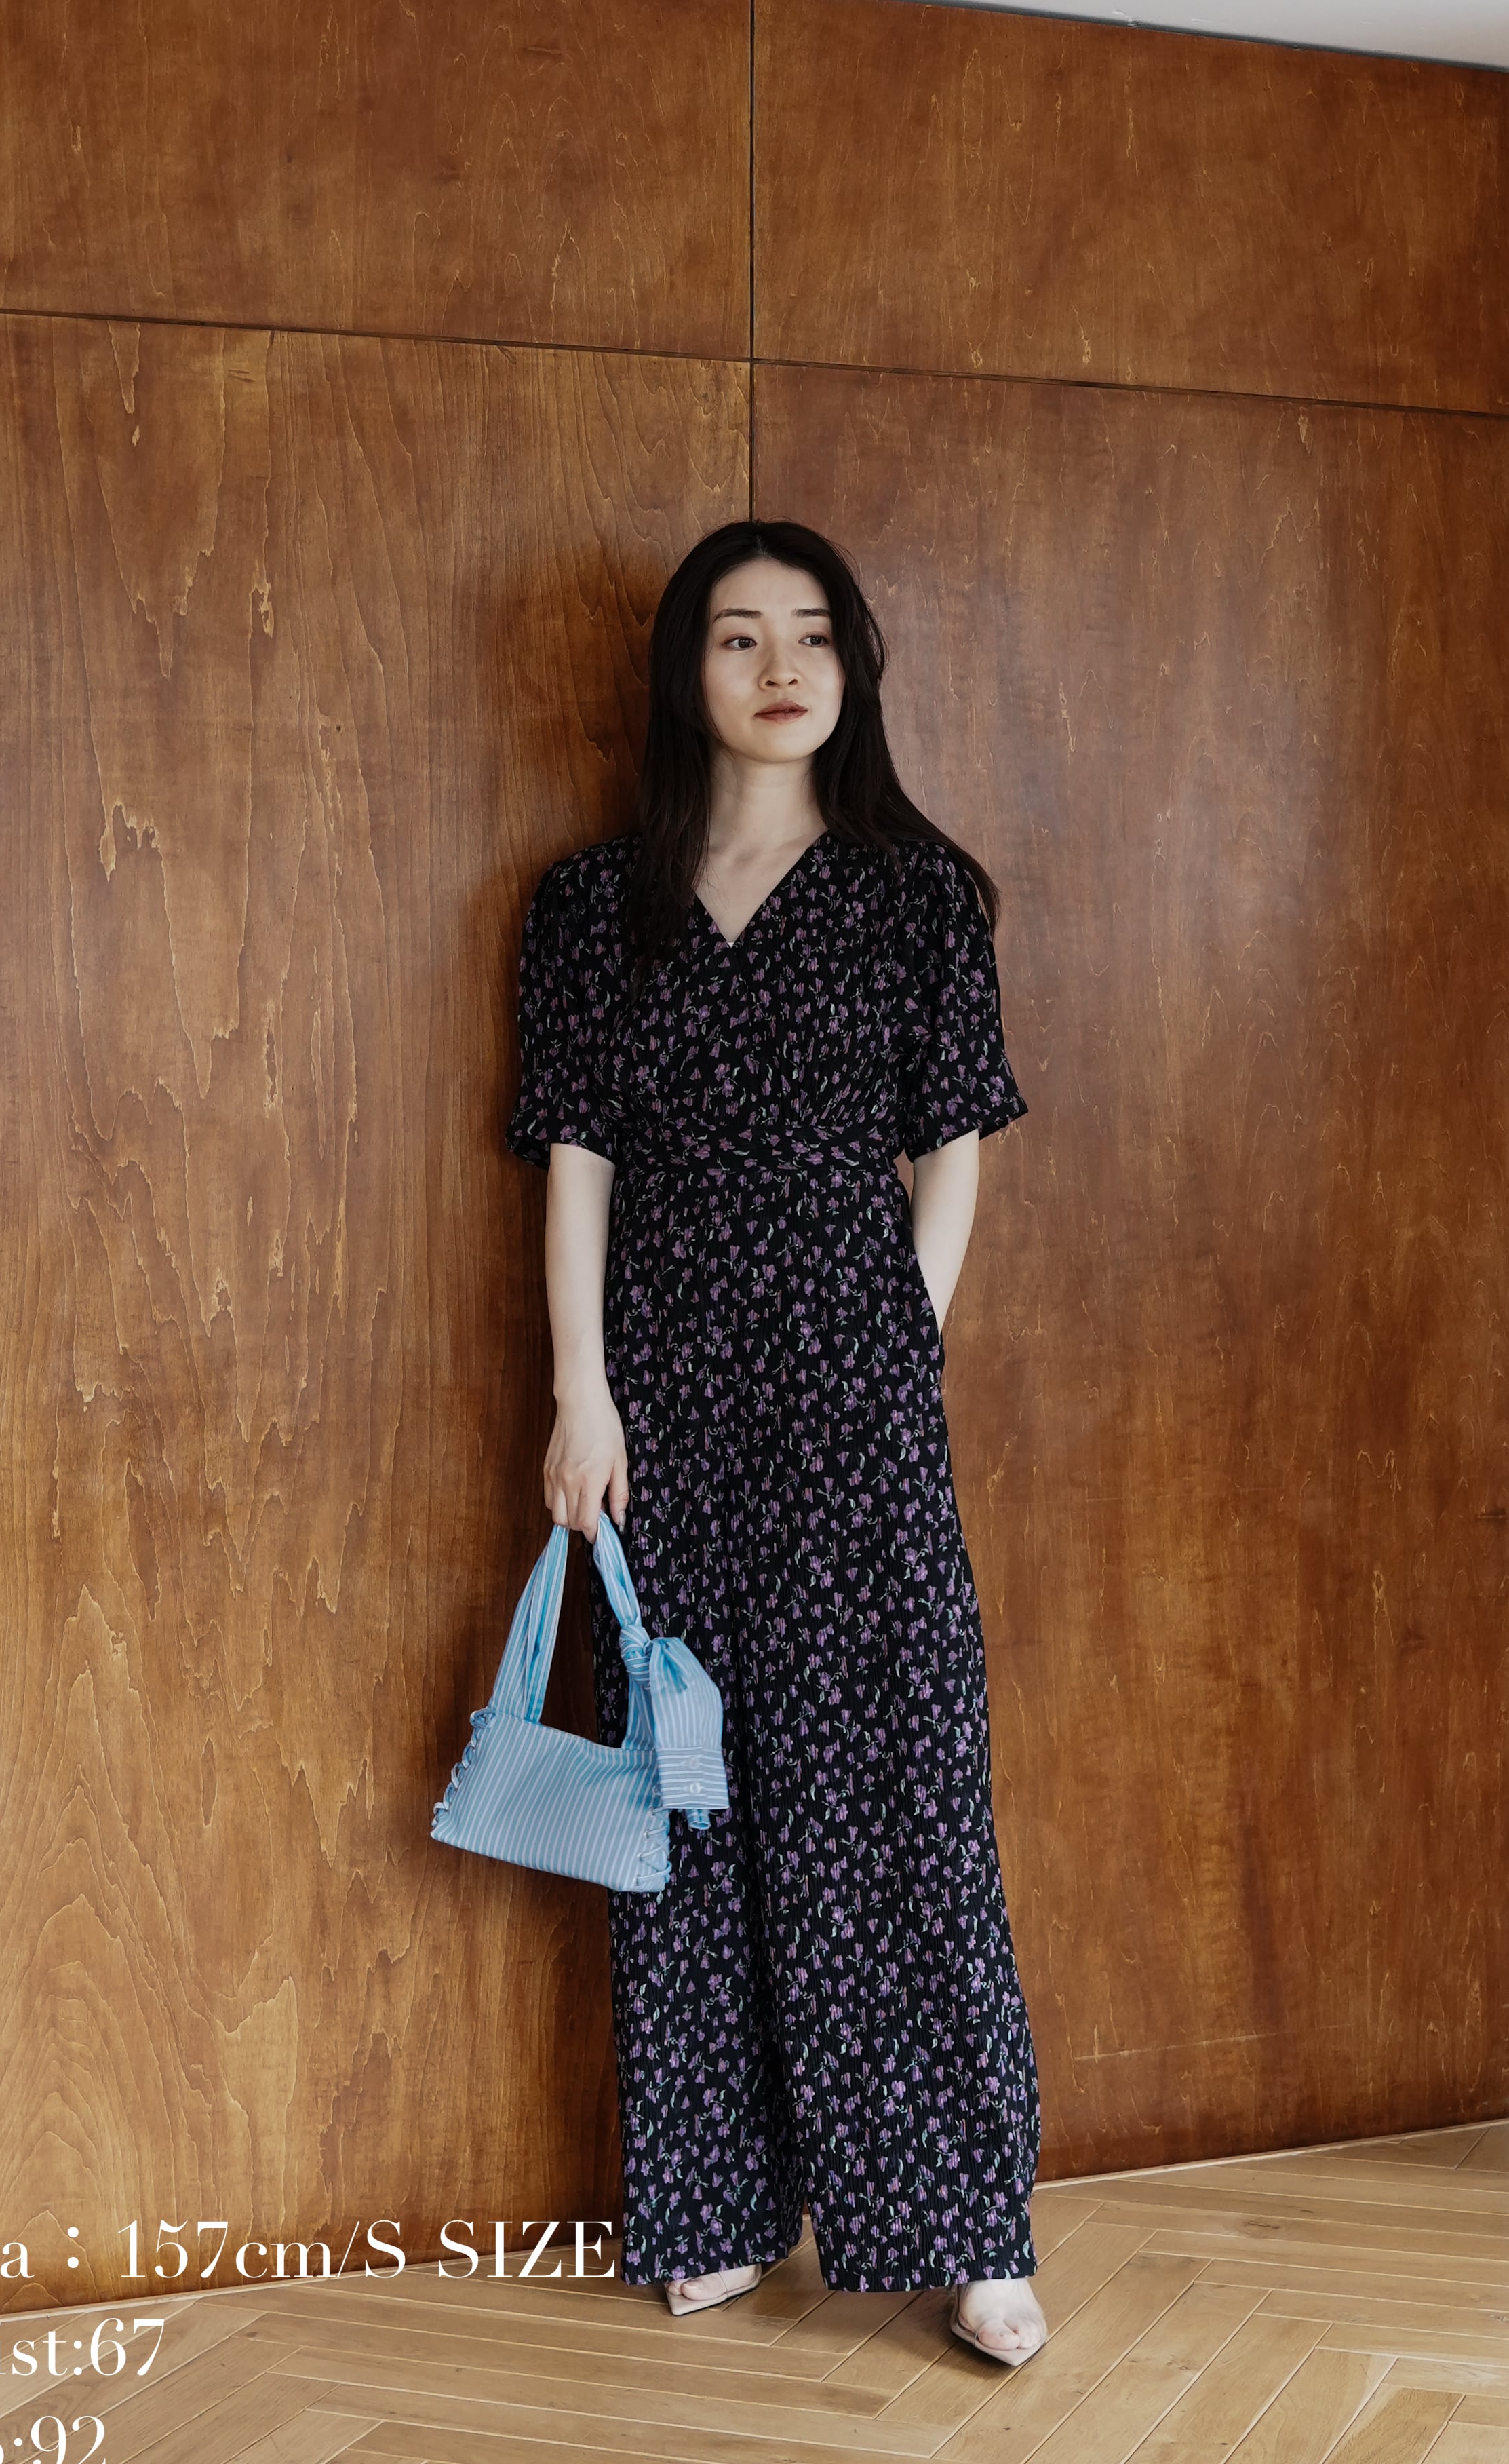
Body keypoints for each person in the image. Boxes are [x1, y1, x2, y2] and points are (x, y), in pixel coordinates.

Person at [506, 519, 1048, 2366]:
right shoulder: (594, 904)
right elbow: (576, 1156)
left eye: (811, 634)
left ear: (853, 666)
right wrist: (581, 1389)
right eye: (739, 637)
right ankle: (714, 2201)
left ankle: (968, 2225)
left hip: (853, 1385)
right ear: (691, 671)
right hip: (658, 1392)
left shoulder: (919, 895)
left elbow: (953, 1147)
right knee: (685, 1794)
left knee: (898, 1789)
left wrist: (900, 1344)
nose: (780, 667)